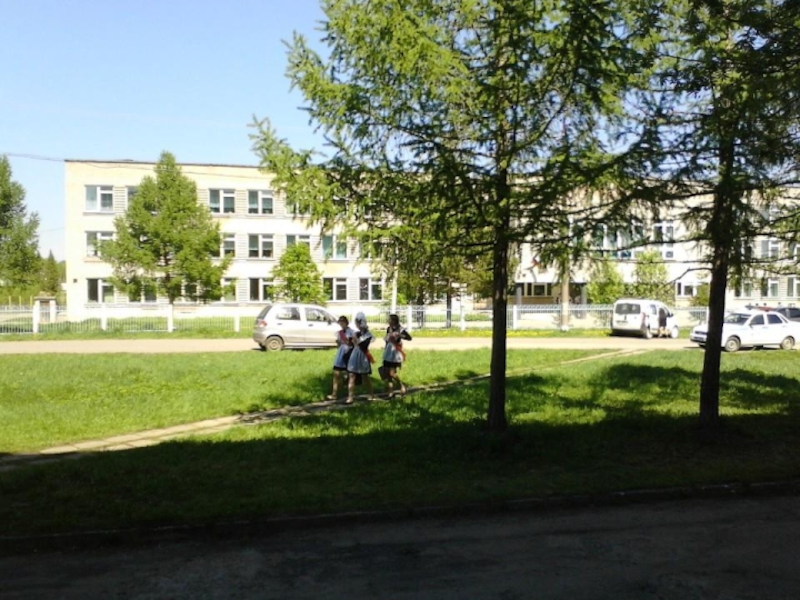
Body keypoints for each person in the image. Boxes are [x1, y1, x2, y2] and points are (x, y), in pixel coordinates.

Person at [346, 312, 375, 404]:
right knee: (351, 375)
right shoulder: (356, 333)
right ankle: (350, 397)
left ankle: (371, 393)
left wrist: (356, 339)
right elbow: (351, 343)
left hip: (363, 356)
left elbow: (363, 345)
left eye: (358, 322)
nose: (357, 325)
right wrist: (351, 340)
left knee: (365, 376)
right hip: (355, 354)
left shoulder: (368, 334)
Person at [381, 313, 412, 398]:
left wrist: (400, 335)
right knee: (387, 373)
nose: (388, 321)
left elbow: (409, 338)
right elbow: (387, 339)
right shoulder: (389, 329)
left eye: (390, 320)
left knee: (392, 373)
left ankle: (401, 385)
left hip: (395, 352)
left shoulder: (400, 329)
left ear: (394, 321)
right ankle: (390, 392)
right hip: (388, 351)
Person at [327, 316, 354, 401]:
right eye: (340, 323)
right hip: (341, 352)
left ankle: (350, 396)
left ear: (346, 323)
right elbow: (339, 344)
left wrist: (347, 341)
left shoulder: (351, 332)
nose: (341, 325)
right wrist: (338, 342)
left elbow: (352, 343)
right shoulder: (339, 333)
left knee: (350, 375)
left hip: (349, 352)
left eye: (343, 323)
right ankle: (334, 394)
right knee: (336, 373)